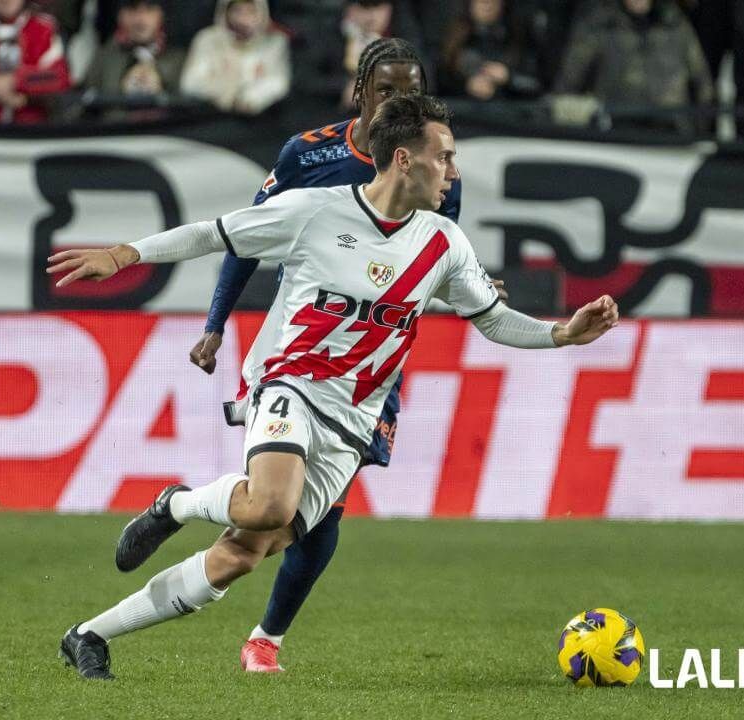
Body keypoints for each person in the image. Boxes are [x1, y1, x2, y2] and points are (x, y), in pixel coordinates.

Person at [48, 93, 620, 681]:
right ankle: (179, 503)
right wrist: (123, 255)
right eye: (444, 157)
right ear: (404, 159)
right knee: (272, 503)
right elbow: (213, 235)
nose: (454, 171)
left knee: (244, 553)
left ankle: (89, 634)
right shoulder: (314, 212)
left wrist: (563, 334)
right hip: (290, 383)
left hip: (354, 421)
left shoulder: (445, 244)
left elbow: (492, 319)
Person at [185, 37, 486, 674]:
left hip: (372, 369)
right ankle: (235, 595)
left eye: (408, 93)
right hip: (300, 354)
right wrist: (215, 325)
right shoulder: (308, 154)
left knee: (323, 512)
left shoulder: (434, 170)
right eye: (385, 91)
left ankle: (267, 634)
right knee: (289, 511)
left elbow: (427, 271)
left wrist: (471, 297)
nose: (395, 102)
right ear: (359, 92)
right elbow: (243, 239)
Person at [555, 0, 712, 133]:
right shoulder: (600, 26)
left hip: (671, 136)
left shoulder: (676, 25)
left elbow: (703, 87)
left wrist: (698, 131)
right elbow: (567, 86)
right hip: (616, 134)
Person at [179, 0, 291, 115]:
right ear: (226, 12)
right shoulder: (207, 39)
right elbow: (190, 83)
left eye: (251, 11)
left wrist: (249, 98)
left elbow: (278, 83)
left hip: (257, 119)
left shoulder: (274, 42)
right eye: (237, 11)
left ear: (262, 12)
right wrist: (227, 93)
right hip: (209, 116)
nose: (243, 18)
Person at [83, 0, 184, 99]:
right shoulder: (104, 57)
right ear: (119, 15)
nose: (140, 20)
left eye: (149, 9)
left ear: (161, 15)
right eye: (132, 10)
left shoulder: (179, 59)